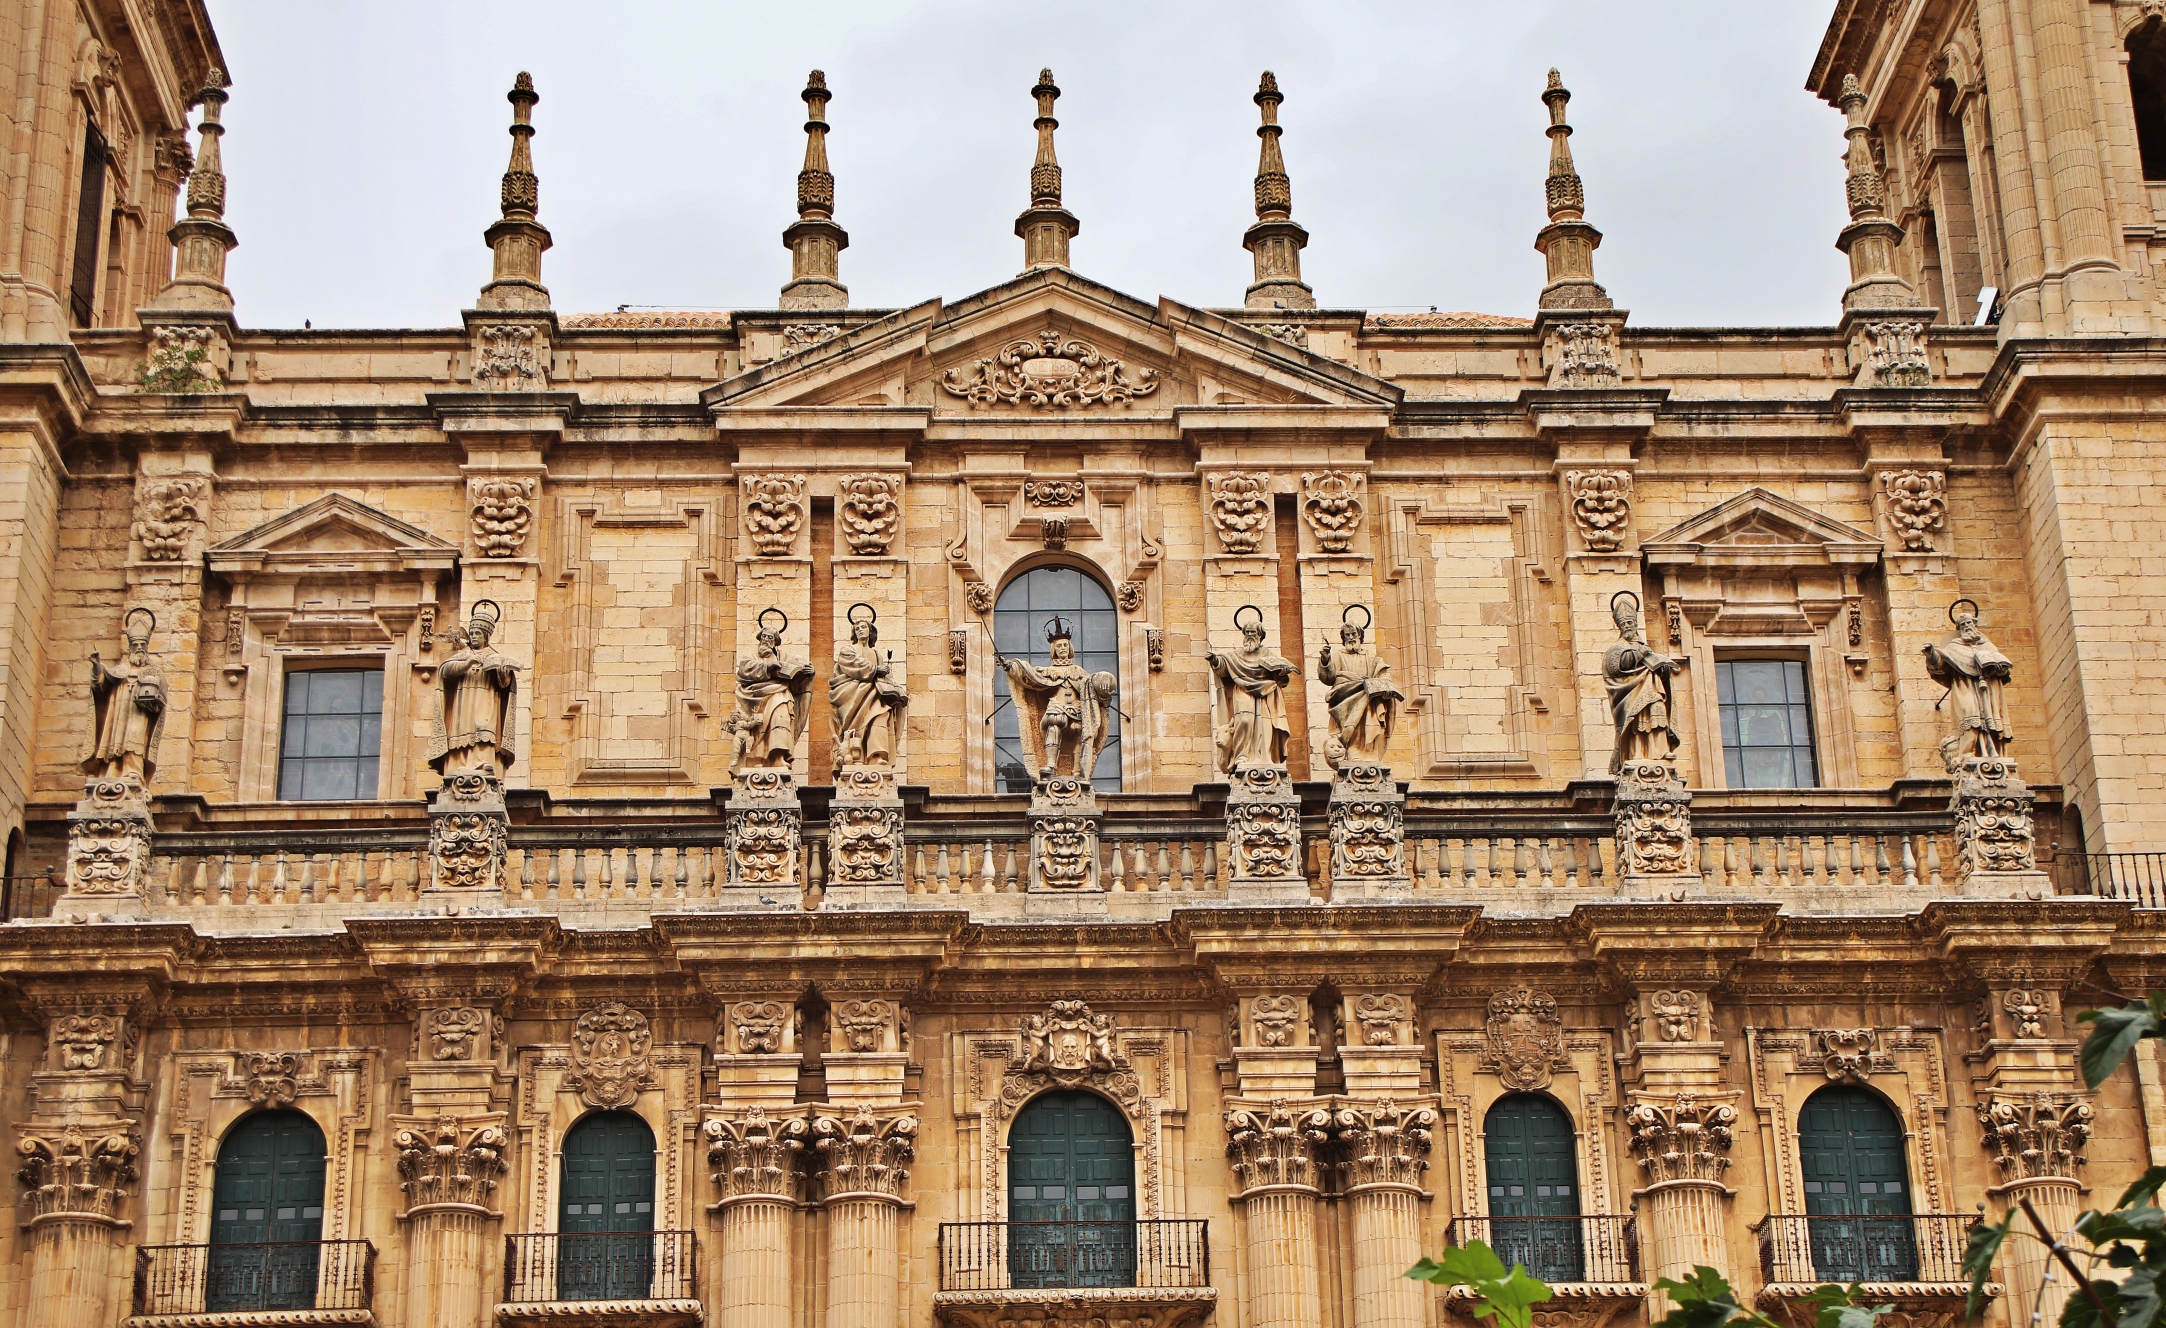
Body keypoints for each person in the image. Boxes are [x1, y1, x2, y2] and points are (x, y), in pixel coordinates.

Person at [999, 618, 1113, 782]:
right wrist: (1011, 667)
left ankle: (1078, 771)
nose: (1062, 648)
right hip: (1057, 706)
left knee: (1080, 729)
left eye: (1065, 645)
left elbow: (1093, 688)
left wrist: (1104, 686)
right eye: (1059, 646)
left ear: (1070, 647)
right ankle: (1051, 765)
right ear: (1053, 649)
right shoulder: (1048, 671)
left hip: (1076, 707)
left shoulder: (1078, 671)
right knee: (1054, 723)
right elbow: (1029, 674)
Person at [429, 603, 518, 776]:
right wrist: (467, 663)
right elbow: (445, 671)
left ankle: (483, 762)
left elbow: (505, 685)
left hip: (486, 697)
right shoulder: (464, 655)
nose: (474, 636)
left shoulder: (494, 656)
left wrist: (502, 675)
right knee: (462, 729)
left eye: (478, 633)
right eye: (472, 633)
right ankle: (458, 764)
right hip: (464, 700)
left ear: (486, 636)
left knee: (483, 726)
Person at [1923, 602, 2014, 762]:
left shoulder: (1987, 646)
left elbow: (2004, 671)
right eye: (1963, 624)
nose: (1966, 626)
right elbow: (1940, 664)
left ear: (1975, 624)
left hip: (1989, 688)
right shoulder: (1955, 646)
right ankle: (1968, 752)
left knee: (1990, 720)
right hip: (1965, 687)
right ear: (1959, 629)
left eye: (1969, 623)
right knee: (1970, 717)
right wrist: (1931, 654)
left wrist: (1999, 667)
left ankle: (1993, 754)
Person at [1603, 593, 1681, 775]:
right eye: (1624, 624)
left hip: (1653, 690)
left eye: (1631, 623)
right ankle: (1637, 753)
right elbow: (1616, 666)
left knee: (1658, 714)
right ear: (1619, 626)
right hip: (1632, 694)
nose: (1628, 626)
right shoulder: (1618, 647)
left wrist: (1662, 669)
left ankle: (1659, 751)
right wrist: (1640, 654)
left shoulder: (1643, 645)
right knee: (1638, 723)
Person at [85, 609, 166, 783]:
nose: (138, 649)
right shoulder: (119, 671)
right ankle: (112, 770)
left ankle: (134, 772)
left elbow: (161, 699)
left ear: (146, 648)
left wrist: (153, 699)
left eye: (141, 646)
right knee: (115, 740)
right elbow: (98, 686)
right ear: (130, 648)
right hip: (118, 711)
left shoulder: (153, 672)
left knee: (135, 737)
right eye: (135, 646)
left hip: (139, 712)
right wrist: (96, 667)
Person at [1207, 614, 1294, 772]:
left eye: (1253, 632)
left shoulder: (1268, 654)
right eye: (1247, 632)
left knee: (1265, 726)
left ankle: (1266, 756)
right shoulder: (1237, 655)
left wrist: (1282, 671)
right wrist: (1215, 660)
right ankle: (1242, 756)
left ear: (1260, 635)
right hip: (1243, 690)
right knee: (1245, 721)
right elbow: (1223, 667)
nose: (1250, 636)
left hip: (1266, 693)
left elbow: (1282, 679)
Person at [1317, 612, 1403, 769]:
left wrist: (1385, 687)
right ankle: (1351, 753)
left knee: (1368, 727)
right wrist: (1325, 660)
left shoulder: (1371, 658)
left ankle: (1367, 755)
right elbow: (1328, 678)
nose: (1351, 637)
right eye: (1347, 635)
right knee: (1349, 729)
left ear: (1360, 636)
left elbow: (1383, 674)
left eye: (1354, 634)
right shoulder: (1338, 656)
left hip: (1367, 699)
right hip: (1343, 697)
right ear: (1343, 638)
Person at [731, 614, 815, 772]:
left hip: (781, 695)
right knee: (757, 727)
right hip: (756, 697)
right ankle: (756, 759)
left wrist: (808, 673)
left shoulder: (784, 657)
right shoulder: (750, 657)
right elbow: (743, 671)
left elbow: (797, 676)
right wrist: (767, 668)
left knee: (780, 722)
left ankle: (777, 758)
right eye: (763, 636)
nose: (766, 640)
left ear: (776, 641)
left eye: (770, 638)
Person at [830, 609, 907, 768]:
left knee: (880, 716)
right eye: (857, 628)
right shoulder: (848, 650)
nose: (860, 630)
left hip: (875, 694)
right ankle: (856, 756)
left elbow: (884, 678)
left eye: (863, 627)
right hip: (853, 694)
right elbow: (852, 664)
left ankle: (876, 755)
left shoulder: (876, 654)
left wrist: (895, 688)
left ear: (870, 631)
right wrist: (875, 670)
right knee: (860, 724)